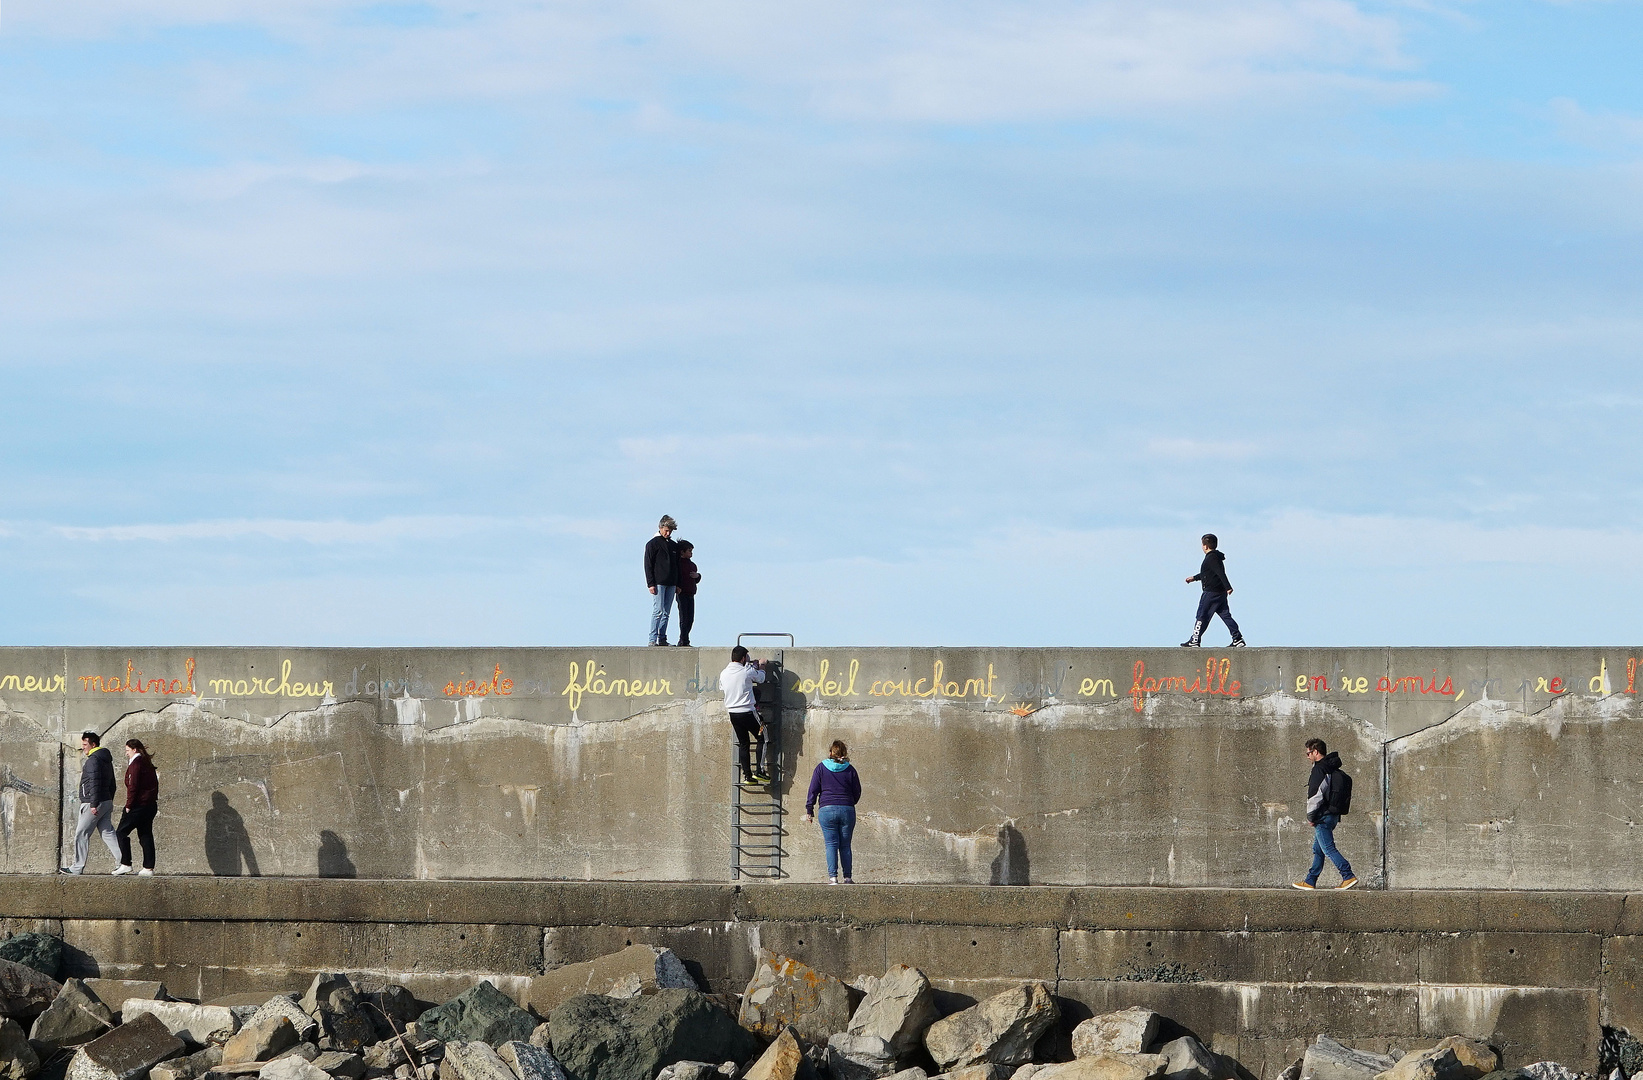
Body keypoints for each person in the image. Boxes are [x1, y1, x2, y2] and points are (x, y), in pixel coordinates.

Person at [1293, 738, 1357, 890]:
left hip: (1322, 816)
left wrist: (1311, 816)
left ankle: (1348, 875)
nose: (1307, 757)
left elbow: (1316, 794)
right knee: (1318, 849)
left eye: (1308, 753)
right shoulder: (1331, 767)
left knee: (1328, 848)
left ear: (1315, 752)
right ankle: (1310, 880)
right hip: (1332, 815)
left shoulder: (1319, 769)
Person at [61, 731, 120, 875]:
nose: (83, 748)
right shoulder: (105, 759)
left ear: (93, 744)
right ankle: (123, 862)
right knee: (108, 833)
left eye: (85, 744)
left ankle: (76, 868)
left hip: (93, 802)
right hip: (105, 801)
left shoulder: (93, 760)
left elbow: (94, 782)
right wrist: (109, 799)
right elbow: (112, 783)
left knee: (81, 833)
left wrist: (93, 804)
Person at [805, 740, 862, 885]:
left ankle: (833, 878)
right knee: (845, 845)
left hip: (826, 810)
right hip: (847, 809)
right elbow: (857, 791)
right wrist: (849, 803)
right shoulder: (850, 770)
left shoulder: (821, 768)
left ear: (831, 753)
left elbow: (813, 790)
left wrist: (809, 809)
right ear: (844, 753)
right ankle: (848, 878)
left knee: (831, 844)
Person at [1181, 533, 1246, 648]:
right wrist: (1194, 578)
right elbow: (1208, 574)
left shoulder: (1211, 558)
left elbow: (1220, 573)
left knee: (1201, 615)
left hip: (1211, 593)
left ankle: (1195, 640)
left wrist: (1228, 587)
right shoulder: (1216, 557)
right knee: (1225, 615)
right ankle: (1237, 638)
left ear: (1205, 546)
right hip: (1220, 594)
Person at [719, 646, 769, 784]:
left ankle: (748, 776)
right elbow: (761, 678)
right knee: (763, 737)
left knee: (743, 744)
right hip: (748, 712)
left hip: (733, 714)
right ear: (743, 658)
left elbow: (723, 687)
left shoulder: (724, 673)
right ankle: (760, 771)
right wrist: (762, 664)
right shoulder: (747, 670)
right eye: (747, 657)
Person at [113, 739, 159, 877]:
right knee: (145, 835)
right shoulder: (147, 763)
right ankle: (148, 867)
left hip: (138, 805)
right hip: (150, 805)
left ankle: (126, 864)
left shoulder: (136, 764)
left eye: (127, 750)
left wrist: (128, 805)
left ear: (134, 750)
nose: (126, 754)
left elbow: (133, 787)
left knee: (121, 832)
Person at [644, 515, 681, 646]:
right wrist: (651, 583)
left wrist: (677, 583)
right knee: (658, 610)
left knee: (666, 612)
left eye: (670, 530)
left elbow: (677, 566)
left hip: (671, 582)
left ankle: (662, 638)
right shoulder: (652, 544)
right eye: (666, 530)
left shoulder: (674, 546)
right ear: (660, 528)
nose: (668, 533)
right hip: (658, 582)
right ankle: (652, 639)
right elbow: (648, 564)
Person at [675, 541, 701, 648]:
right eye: (689, 551)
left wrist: (698, 576)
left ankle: (685, 638)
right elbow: (676, 576)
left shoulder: (692, 565)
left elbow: (696, 579)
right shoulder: (678, 564)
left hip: (691, 593)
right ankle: (683, 640)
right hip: (682, 593)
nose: (691, 553)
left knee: (690, 618)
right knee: (684, 618)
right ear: (682, 552)